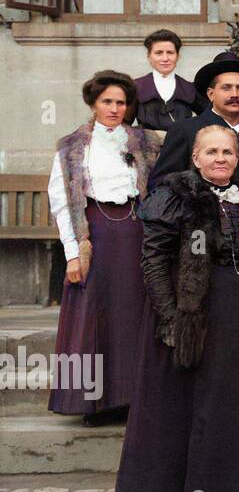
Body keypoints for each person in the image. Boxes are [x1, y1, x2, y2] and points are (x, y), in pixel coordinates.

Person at [114, 126, 239, 492]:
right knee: (187, 399)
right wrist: (171, 318)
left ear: (238, 158)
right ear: (195, 157)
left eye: (228, 152)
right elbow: (153, 262)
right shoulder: (173, 197)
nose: (220, 159)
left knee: (232, 396)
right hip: (192, 310)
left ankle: (234, 490)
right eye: (212, 152)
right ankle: (173, 491)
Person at [48, 71, 161, 423]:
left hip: (137, 233)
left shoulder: (145, 142)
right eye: (107, 102)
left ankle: (133, 399)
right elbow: (62, 202)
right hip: (94, 234)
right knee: (93, 313)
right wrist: (72, 252)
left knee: (135, 313)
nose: (114, 108)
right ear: (93, 104)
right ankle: (92, 402)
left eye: (121, 102)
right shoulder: (72, 146)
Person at [150, 53, 239, 205]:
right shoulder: (186, 130)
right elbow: (161, 185)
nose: (235, 94)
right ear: (211, 94)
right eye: (226, 88)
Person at [133, 30, 198, 131]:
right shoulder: (136, 86)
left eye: (170, 53)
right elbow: (123, 122)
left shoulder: (189, 88)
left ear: (178, 56)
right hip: (146, 145)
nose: (165, 58)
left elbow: (208, 118)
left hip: (182, 145)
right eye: (159, 53)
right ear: (149, 56)